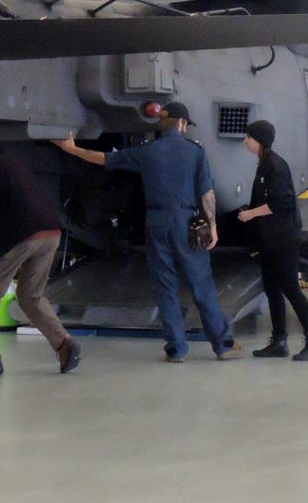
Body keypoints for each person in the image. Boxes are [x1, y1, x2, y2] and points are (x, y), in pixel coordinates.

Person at [54, 102, 242, 362]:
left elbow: (105, 159)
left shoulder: (146, 152)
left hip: (155, 220)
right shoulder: (195, 152)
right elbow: (206, 193)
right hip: (186, 220)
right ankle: (222, 345)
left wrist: (72, 149)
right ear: (181, 124)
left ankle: (177, 349)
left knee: (165, 285)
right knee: (200, 283)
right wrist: (212, 226)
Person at [0, 142, 81, 376]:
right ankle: (64, 343)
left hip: (21, 235)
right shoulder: (9, 161)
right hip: (50, 232)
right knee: (30, 295)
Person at [237, 120, 308, 361]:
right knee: (272, 289)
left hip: (284, 238)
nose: (246, 141)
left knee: (290, 288)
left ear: (260, 140)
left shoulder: (275, 165)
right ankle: (279, 340)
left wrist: (250, 214)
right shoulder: (264, 165)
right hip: (269, 239)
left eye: (249, 137)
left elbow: (280, 203)